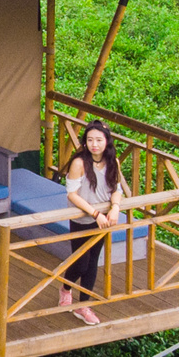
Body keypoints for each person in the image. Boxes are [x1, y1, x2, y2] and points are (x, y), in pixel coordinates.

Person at [59, 120, 127, 326]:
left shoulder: (113, 162)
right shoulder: (79, 163)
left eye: (98, 140)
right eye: (90, 140)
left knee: (93, 262)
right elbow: (71, 194)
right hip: (83, 218)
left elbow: (117, 189)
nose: (94, 144)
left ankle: (84, 305)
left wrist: (115, 207)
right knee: (81, 262)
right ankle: (65, 288)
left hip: (103, 219)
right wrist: (95, 213)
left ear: (107, 141)